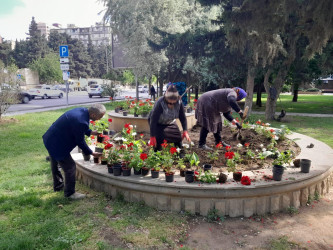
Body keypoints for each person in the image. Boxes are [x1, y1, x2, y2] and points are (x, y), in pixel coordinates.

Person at [43, 103, 106, 199]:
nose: (100, 119)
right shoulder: (81, 121)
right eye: (100, 117)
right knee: (70, 167)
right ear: (93, 115)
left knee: (55, 163)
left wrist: (91, 132)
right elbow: (80, 141)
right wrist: (91, 153)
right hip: (57, 144)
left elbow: (77, 128)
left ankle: (58, 186)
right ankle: (70, 194)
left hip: (50, 138)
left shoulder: (82, 111)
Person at [148, 84, 191, 150]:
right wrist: (152, 136)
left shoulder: (179, 102)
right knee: (159, 139)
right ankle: (156, 153)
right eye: (169, 103)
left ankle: (179, 152)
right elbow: (153, 120)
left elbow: (183, 118)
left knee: (178, 137)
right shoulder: (160, 102)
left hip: (170, 122)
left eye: (173, 103)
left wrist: (185, 131)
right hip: (157, 122)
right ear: (166, 99)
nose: (171, 105)